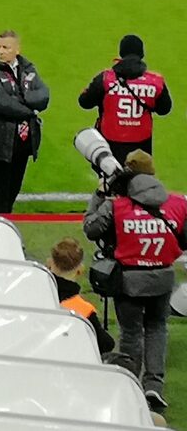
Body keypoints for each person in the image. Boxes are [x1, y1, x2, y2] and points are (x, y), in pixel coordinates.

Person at [84, 149, 183, 414]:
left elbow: (91, 228)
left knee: (130, 333)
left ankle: (131, 386)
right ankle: (154, 385)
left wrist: (99, 195)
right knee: (157, 329)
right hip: (163, 278)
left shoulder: (116, 206)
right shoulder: (177, 203)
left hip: (128, 281)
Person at [0, 30, 50, 215]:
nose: (0, 51)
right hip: (1, 143)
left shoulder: (28, 69)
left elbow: (43, 95)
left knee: (13, 188)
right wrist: (30, 111)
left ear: (17, 50)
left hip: (23, 142)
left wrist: (25, 99)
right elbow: (2, 102)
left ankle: (6, 218)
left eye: (6, 47)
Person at [79, 35, 172, 165]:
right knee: (139, 175)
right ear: (142, 54)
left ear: (121, 53)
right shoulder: (156, 81)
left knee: (109, 174)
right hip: (141, 144)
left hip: (111, 141)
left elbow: (84, 102)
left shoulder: (105, 78)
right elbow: (164, 109)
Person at [48, 239, 115, 356]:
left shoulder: (35, 296)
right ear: (80, 270)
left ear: (49, 263)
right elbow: (106, 344)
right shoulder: (84, 309)